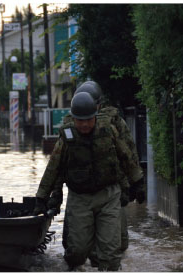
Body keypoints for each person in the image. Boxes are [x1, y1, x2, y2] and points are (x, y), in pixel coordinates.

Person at [33, 92, 144, 271]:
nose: (84, 125)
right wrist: (42, 197)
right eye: (80, 120)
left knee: (110, 255)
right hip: (80, 198)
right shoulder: (68, 137)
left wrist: (138, 183)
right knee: (77, 252)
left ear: (95, 116)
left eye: (88, 120)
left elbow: (126, 156)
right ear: (74, 119)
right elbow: (54, 167)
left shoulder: (108, 130)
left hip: (108, 195)